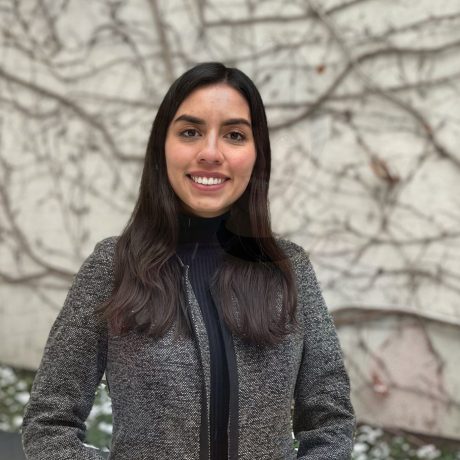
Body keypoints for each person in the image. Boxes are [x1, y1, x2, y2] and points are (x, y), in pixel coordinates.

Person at [21, 62, 355, 460]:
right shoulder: (113, 267)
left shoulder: (288, 269)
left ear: (256, 153)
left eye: (234, 135)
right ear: (162, 146)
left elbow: (330, 422)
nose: (210, 153)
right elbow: (49, 424)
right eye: (190, 132)